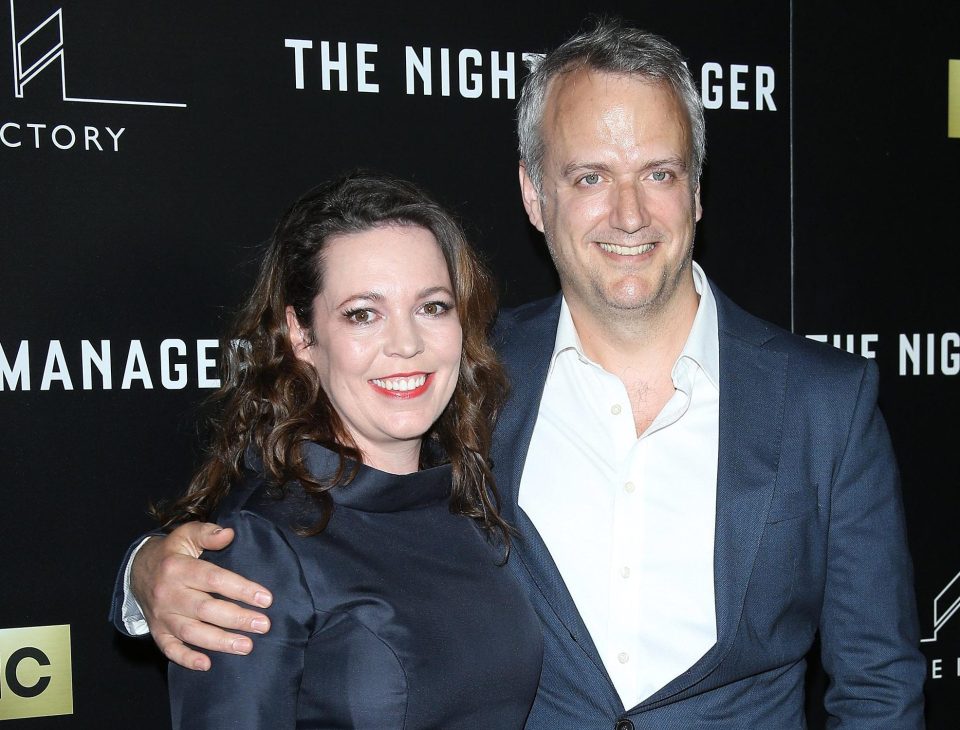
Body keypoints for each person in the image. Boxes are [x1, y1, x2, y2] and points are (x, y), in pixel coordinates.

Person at [112, 19, 925, 728]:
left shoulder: (825, 402)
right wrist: (149, 573)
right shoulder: (467, 373)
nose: (630, 214)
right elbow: (293, 489)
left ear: (698, 192)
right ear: (536, 197)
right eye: (589, 177)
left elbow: (879, 683)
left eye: (659, 173)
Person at [146, 171, 543, 728]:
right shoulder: (261, 544)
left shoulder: (470, 501)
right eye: (363, 314)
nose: (406, 344)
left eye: (432, 307)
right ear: (301, 335)